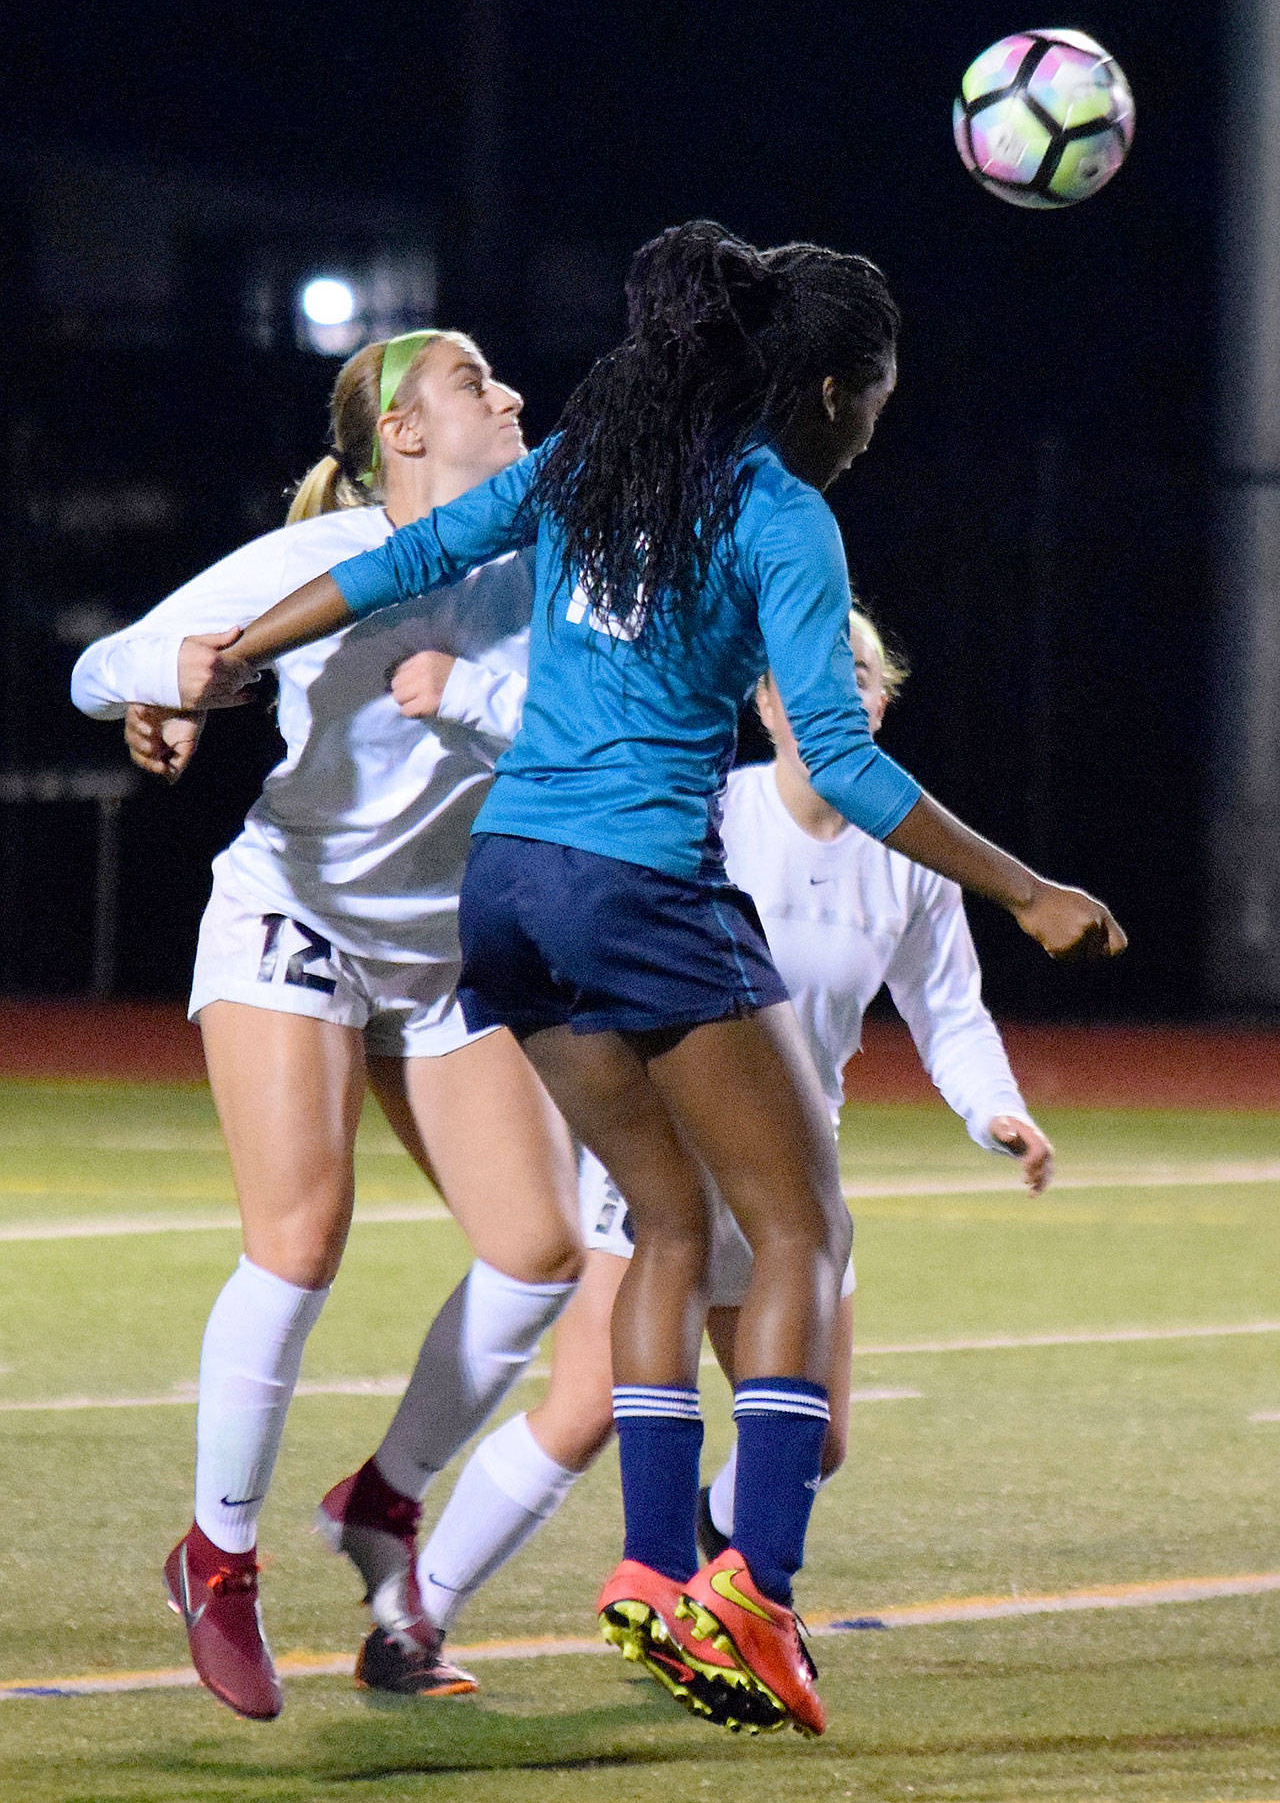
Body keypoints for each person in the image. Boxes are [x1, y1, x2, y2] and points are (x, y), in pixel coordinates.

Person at [179, 220, 1126, 1737]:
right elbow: (843, 759)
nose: (873, 428)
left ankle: (647, 1563)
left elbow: (399, 562)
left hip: (505, 897)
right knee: (801, 1225)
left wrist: (230, 654)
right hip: (638, 892)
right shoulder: (779, 511)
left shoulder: (593, 466)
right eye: (877, 400)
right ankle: (751, 1596)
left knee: (663, 1224)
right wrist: (1025, 887)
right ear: (831, 387)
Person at [353, 608, 1052, 1691]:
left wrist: (993, 1110)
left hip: (788, 1169)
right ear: (763, 700)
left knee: (812, 1440)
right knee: (584, 1406)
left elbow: (946, 1011)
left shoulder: (910, 853)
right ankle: (412, 1621)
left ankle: (703, 1587)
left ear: (881, 694)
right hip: (668, 1153)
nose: (836, 694)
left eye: (857, 675)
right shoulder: (706, 808)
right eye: (808, 678)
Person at [70, 329, 584, 1721]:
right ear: (405, 438)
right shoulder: (321, 556)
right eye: (478, 382)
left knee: (539, 1253)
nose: (515, 395)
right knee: (301, 1238)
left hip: (445, 948)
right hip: (294, 917)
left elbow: (595, 725)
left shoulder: (547, 560)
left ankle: (384, 1496)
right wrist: (161, 676)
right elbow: (103, 664)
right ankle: (218, 1558)